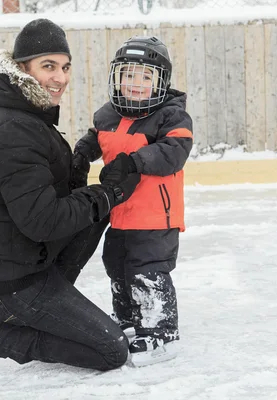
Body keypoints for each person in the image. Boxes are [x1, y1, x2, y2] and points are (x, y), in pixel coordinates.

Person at [0, 18, 141, 381]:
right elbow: (43, 220)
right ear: (21, 68)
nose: (60, 78)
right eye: (48, 66)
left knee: (94, 214)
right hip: (4, 279)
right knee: (112, 349)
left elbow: (40, 194)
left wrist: (77, 164)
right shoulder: (15, 129)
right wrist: (110, 192)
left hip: (10, 256)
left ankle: (31, 308)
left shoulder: (22, 113)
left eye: (64, 67)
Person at [72, 36, 193, 366]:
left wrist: (135, 161)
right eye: (128, 75)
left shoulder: (171, 116)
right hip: (121, 213)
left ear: (160, 81)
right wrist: (83, 153)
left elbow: (174, 152)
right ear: (117, 77)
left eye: (145, 76)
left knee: (148, 270)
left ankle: (160, 331)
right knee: (117, 265)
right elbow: (96, 136)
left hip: (156, 216)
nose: (135, 83)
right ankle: (127, 320)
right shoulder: (108, 114)